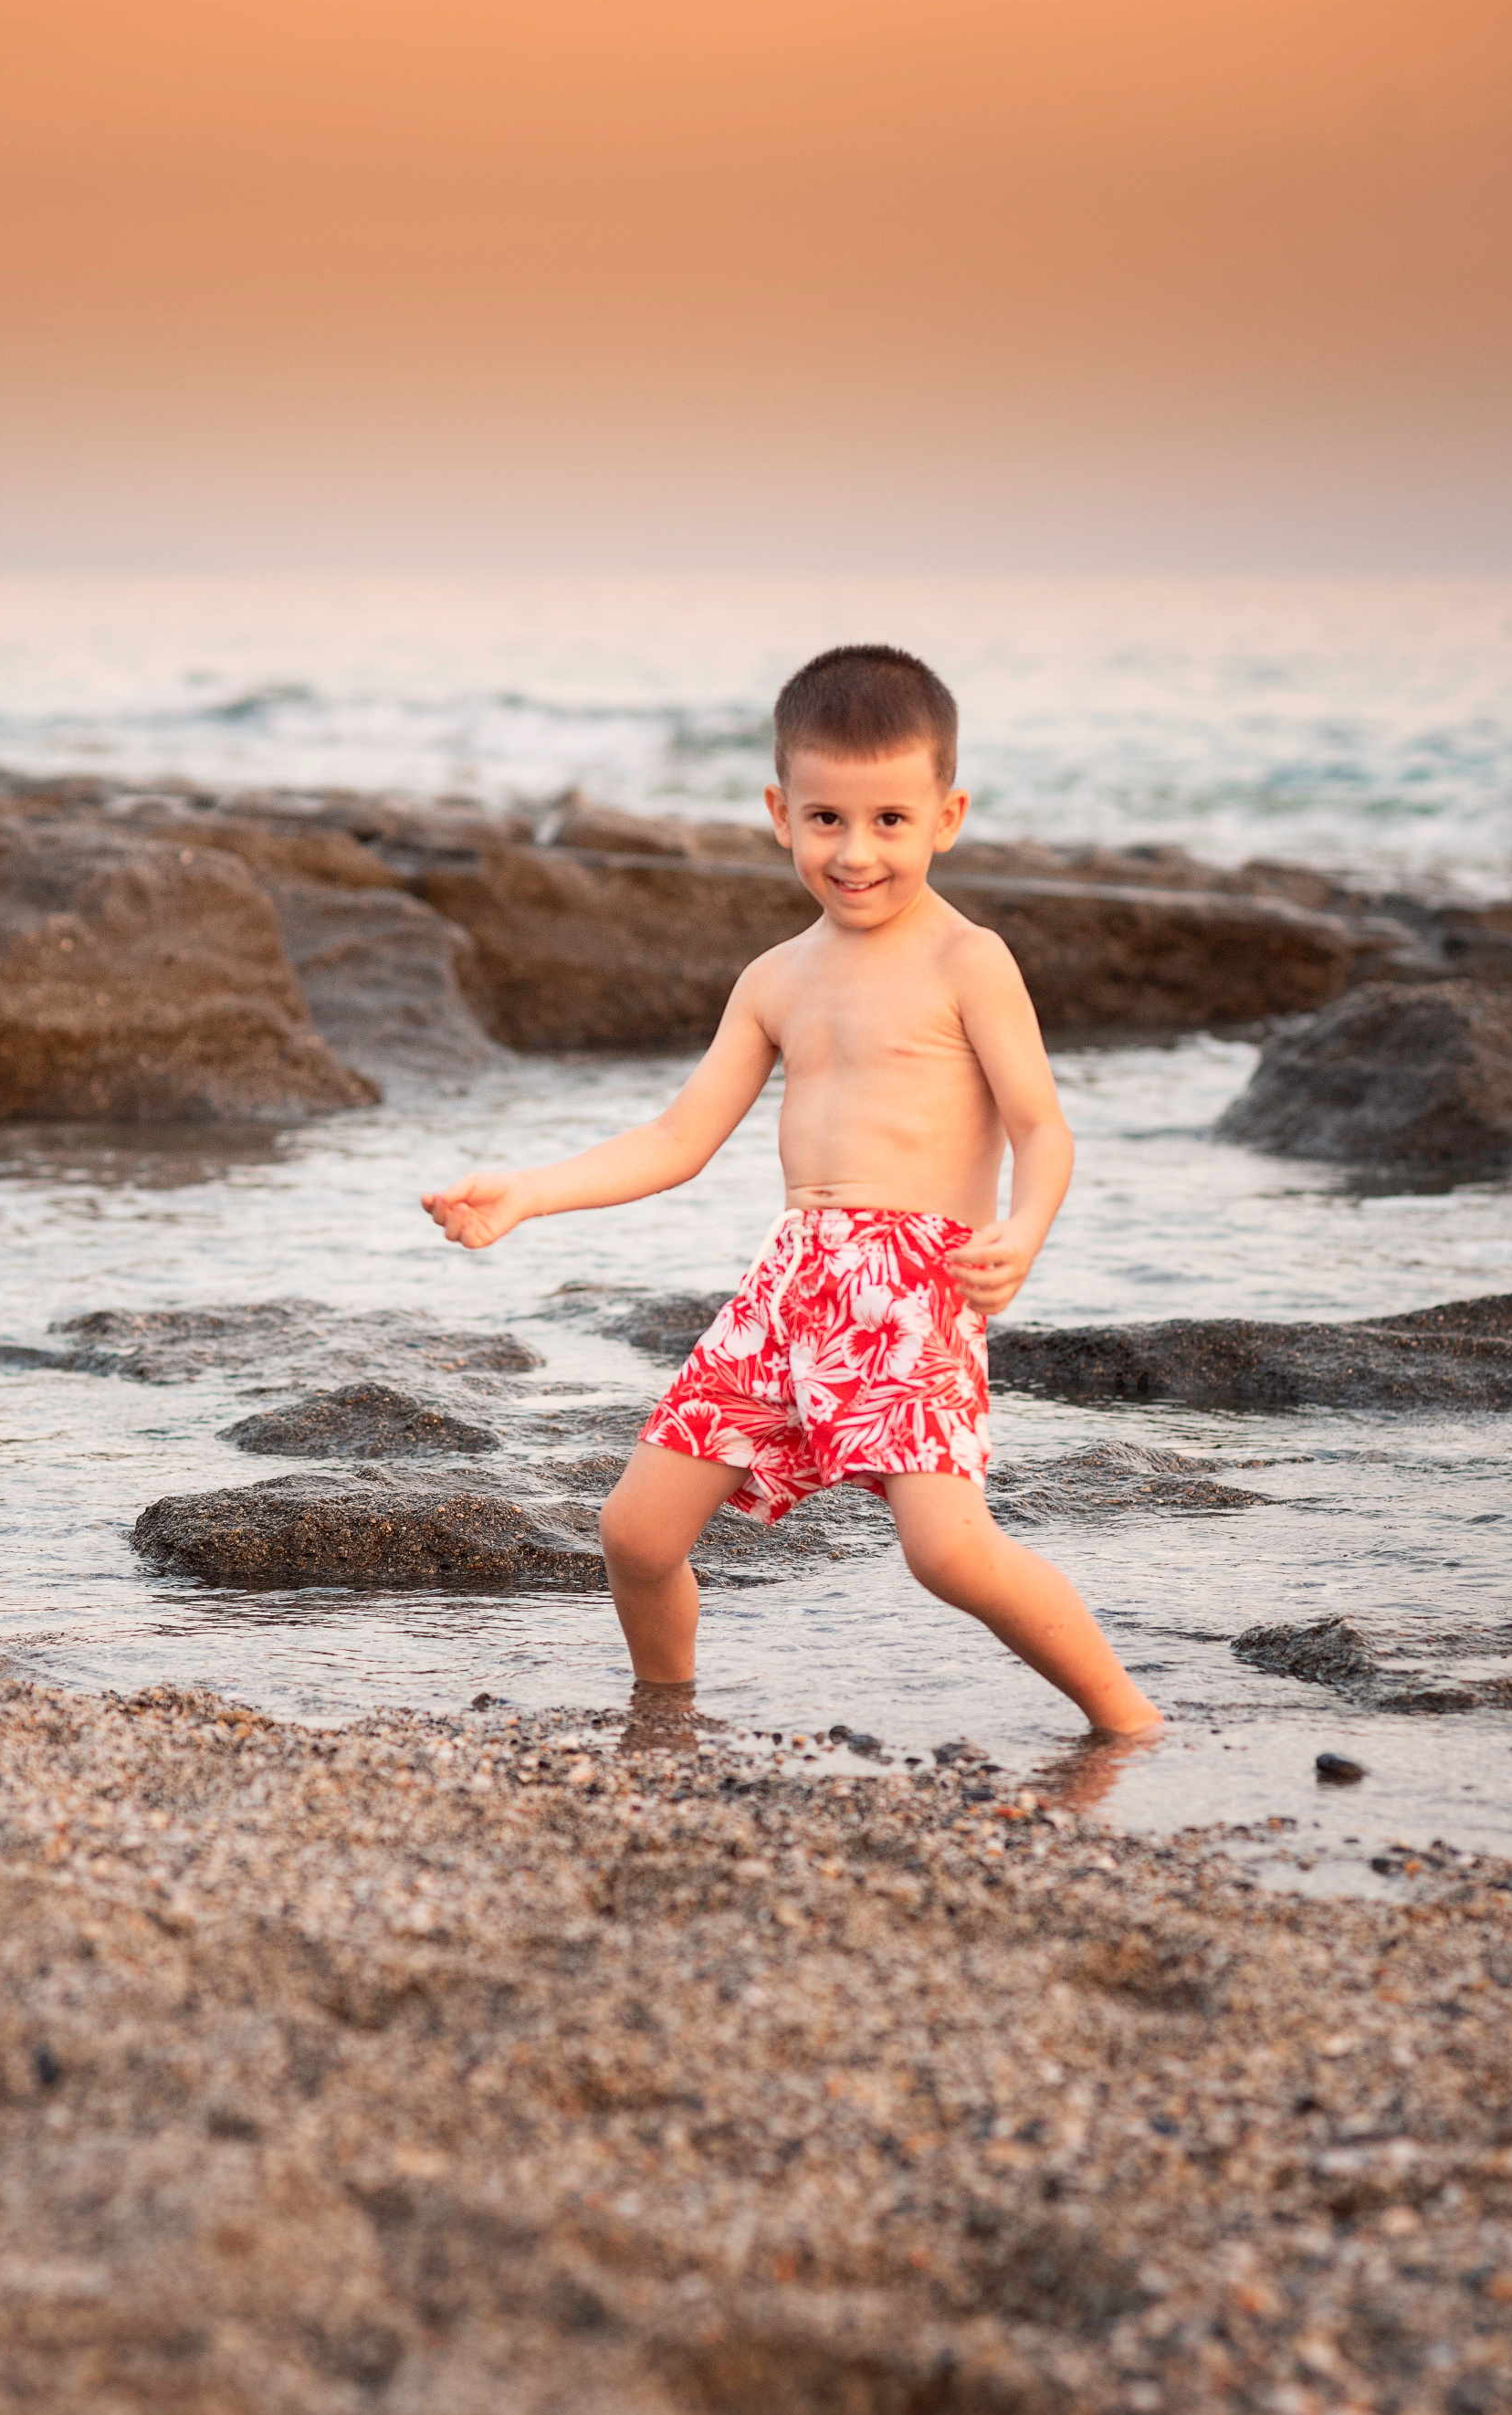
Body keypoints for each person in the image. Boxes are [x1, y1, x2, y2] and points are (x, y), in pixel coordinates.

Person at [423, 644, 1160, 1738]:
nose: (854, 852)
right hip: (790, 1286)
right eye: (825, 819)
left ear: (946, 814)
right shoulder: (773, 977)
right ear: (779, 812)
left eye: (889, 821)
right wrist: (530, 1192)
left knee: (947, 1551)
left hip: (913, 1285)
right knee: (634, 1531)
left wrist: (1024, 1229)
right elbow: (678, 1136)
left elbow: (1039, 1126)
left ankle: (1126, 1718)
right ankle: (662, 1709)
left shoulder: (970, 960)